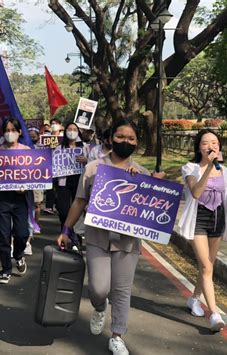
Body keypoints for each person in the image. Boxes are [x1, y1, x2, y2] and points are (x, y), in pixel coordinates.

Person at [57, 118, 160, 355]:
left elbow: (153, 207)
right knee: (99, 288)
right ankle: (99, 307)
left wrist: (151, 183)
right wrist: (66, 229)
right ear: (111, 138)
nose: (125, 141)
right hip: (97, 238)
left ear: (137, 143)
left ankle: (117, 336)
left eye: (131, 138)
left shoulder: (141, 173)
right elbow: (80, 200)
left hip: (127, 242)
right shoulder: (93, 168)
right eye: (121, 137)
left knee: (122, 290)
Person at [178, 128, 227, 332]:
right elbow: (196, 192)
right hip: (198, 220)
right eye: (206, 143)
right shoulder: (190, 168)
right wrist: (208, 167)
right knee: (206, 267)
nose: (211, 146)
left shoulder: (224, 171)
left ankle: (194, 299)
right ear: (199, 148)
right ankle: (215, 314)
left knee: (208, 266)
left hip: (217, 220)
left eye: (215, 142)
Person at [0, 118, 30, 284]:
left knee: (22, 233)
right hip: (2, 198)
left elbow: (34, 174)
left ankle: (18, 255)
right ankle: (6, 269)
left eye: (12, 130)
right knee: (3, 235)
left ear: (19, 132)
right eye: (7, 130)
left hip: (20, 198)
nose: (10, 133)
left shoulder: (26, 150)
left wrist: (26, 186)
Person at [54, 122, 88, 229]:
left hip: (80, 182)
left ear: (78, 132)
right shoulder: (59, 148)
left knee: (78, 210)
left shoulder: (85, 147)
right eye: (69, 129)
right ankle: (65, 231)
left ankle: (75, 239)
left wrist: (87, 160)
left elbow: (94, 163)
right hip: (64, 183)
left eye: (74, 129)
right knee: (63, 210)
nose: (72, 132)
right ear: (65, 132)